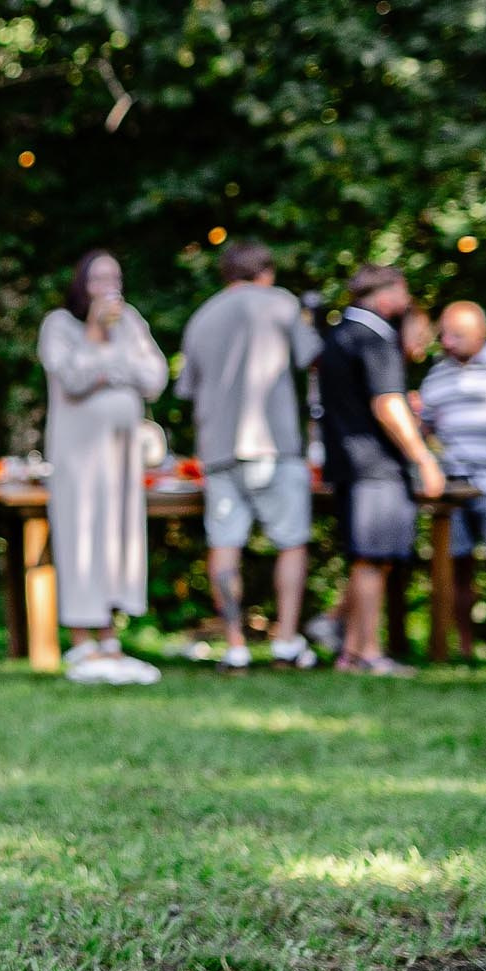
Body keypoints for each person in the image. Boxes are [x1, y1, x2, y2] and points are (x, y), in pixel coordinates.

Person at [177, 239, 322, 672]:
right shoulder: (280, 303)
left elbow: (186, 388)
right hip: (274, 444)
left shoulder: (202, 316)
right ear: (266, 272)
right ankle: (286, 641)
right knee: (291, 542)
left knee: (224, 544)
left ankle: (235, 645)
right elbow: (312, 357)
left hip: (219, 449)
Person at [37, 251, 169, 685]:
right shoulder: (60, 325)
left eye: (115, 276)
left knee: (118, 541)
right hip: (78, 459)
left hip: (123, 460)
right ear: (82, 283)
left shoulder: (130, 321)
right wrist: (97, 338)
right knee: (81, 540)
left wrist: (108, 369)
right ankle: (81, 641)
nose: (109, 286)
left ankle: (110, 639)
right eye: (99, 278)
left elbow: (154, 377)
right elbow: (73, 378)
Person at [319, 264, 445, 677]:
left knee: (366, 559)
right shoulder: (374, 337)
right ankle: (369, 652)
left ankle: (351, 651)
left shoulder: (336, 335)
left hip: (344, 461)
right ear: (385, 292)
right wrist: (423, 457)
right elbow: (388, 404)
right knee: (371, 560)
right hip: (375, 464)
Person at [417, 302, 486, 657]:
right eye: (444, 334)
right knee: (458, 567)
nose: (447, 342)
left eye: (457, 335)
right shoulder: (437, 375)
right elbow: (425, 427)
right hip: (453, 485)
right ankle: (463, 647)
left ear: (481, 332)